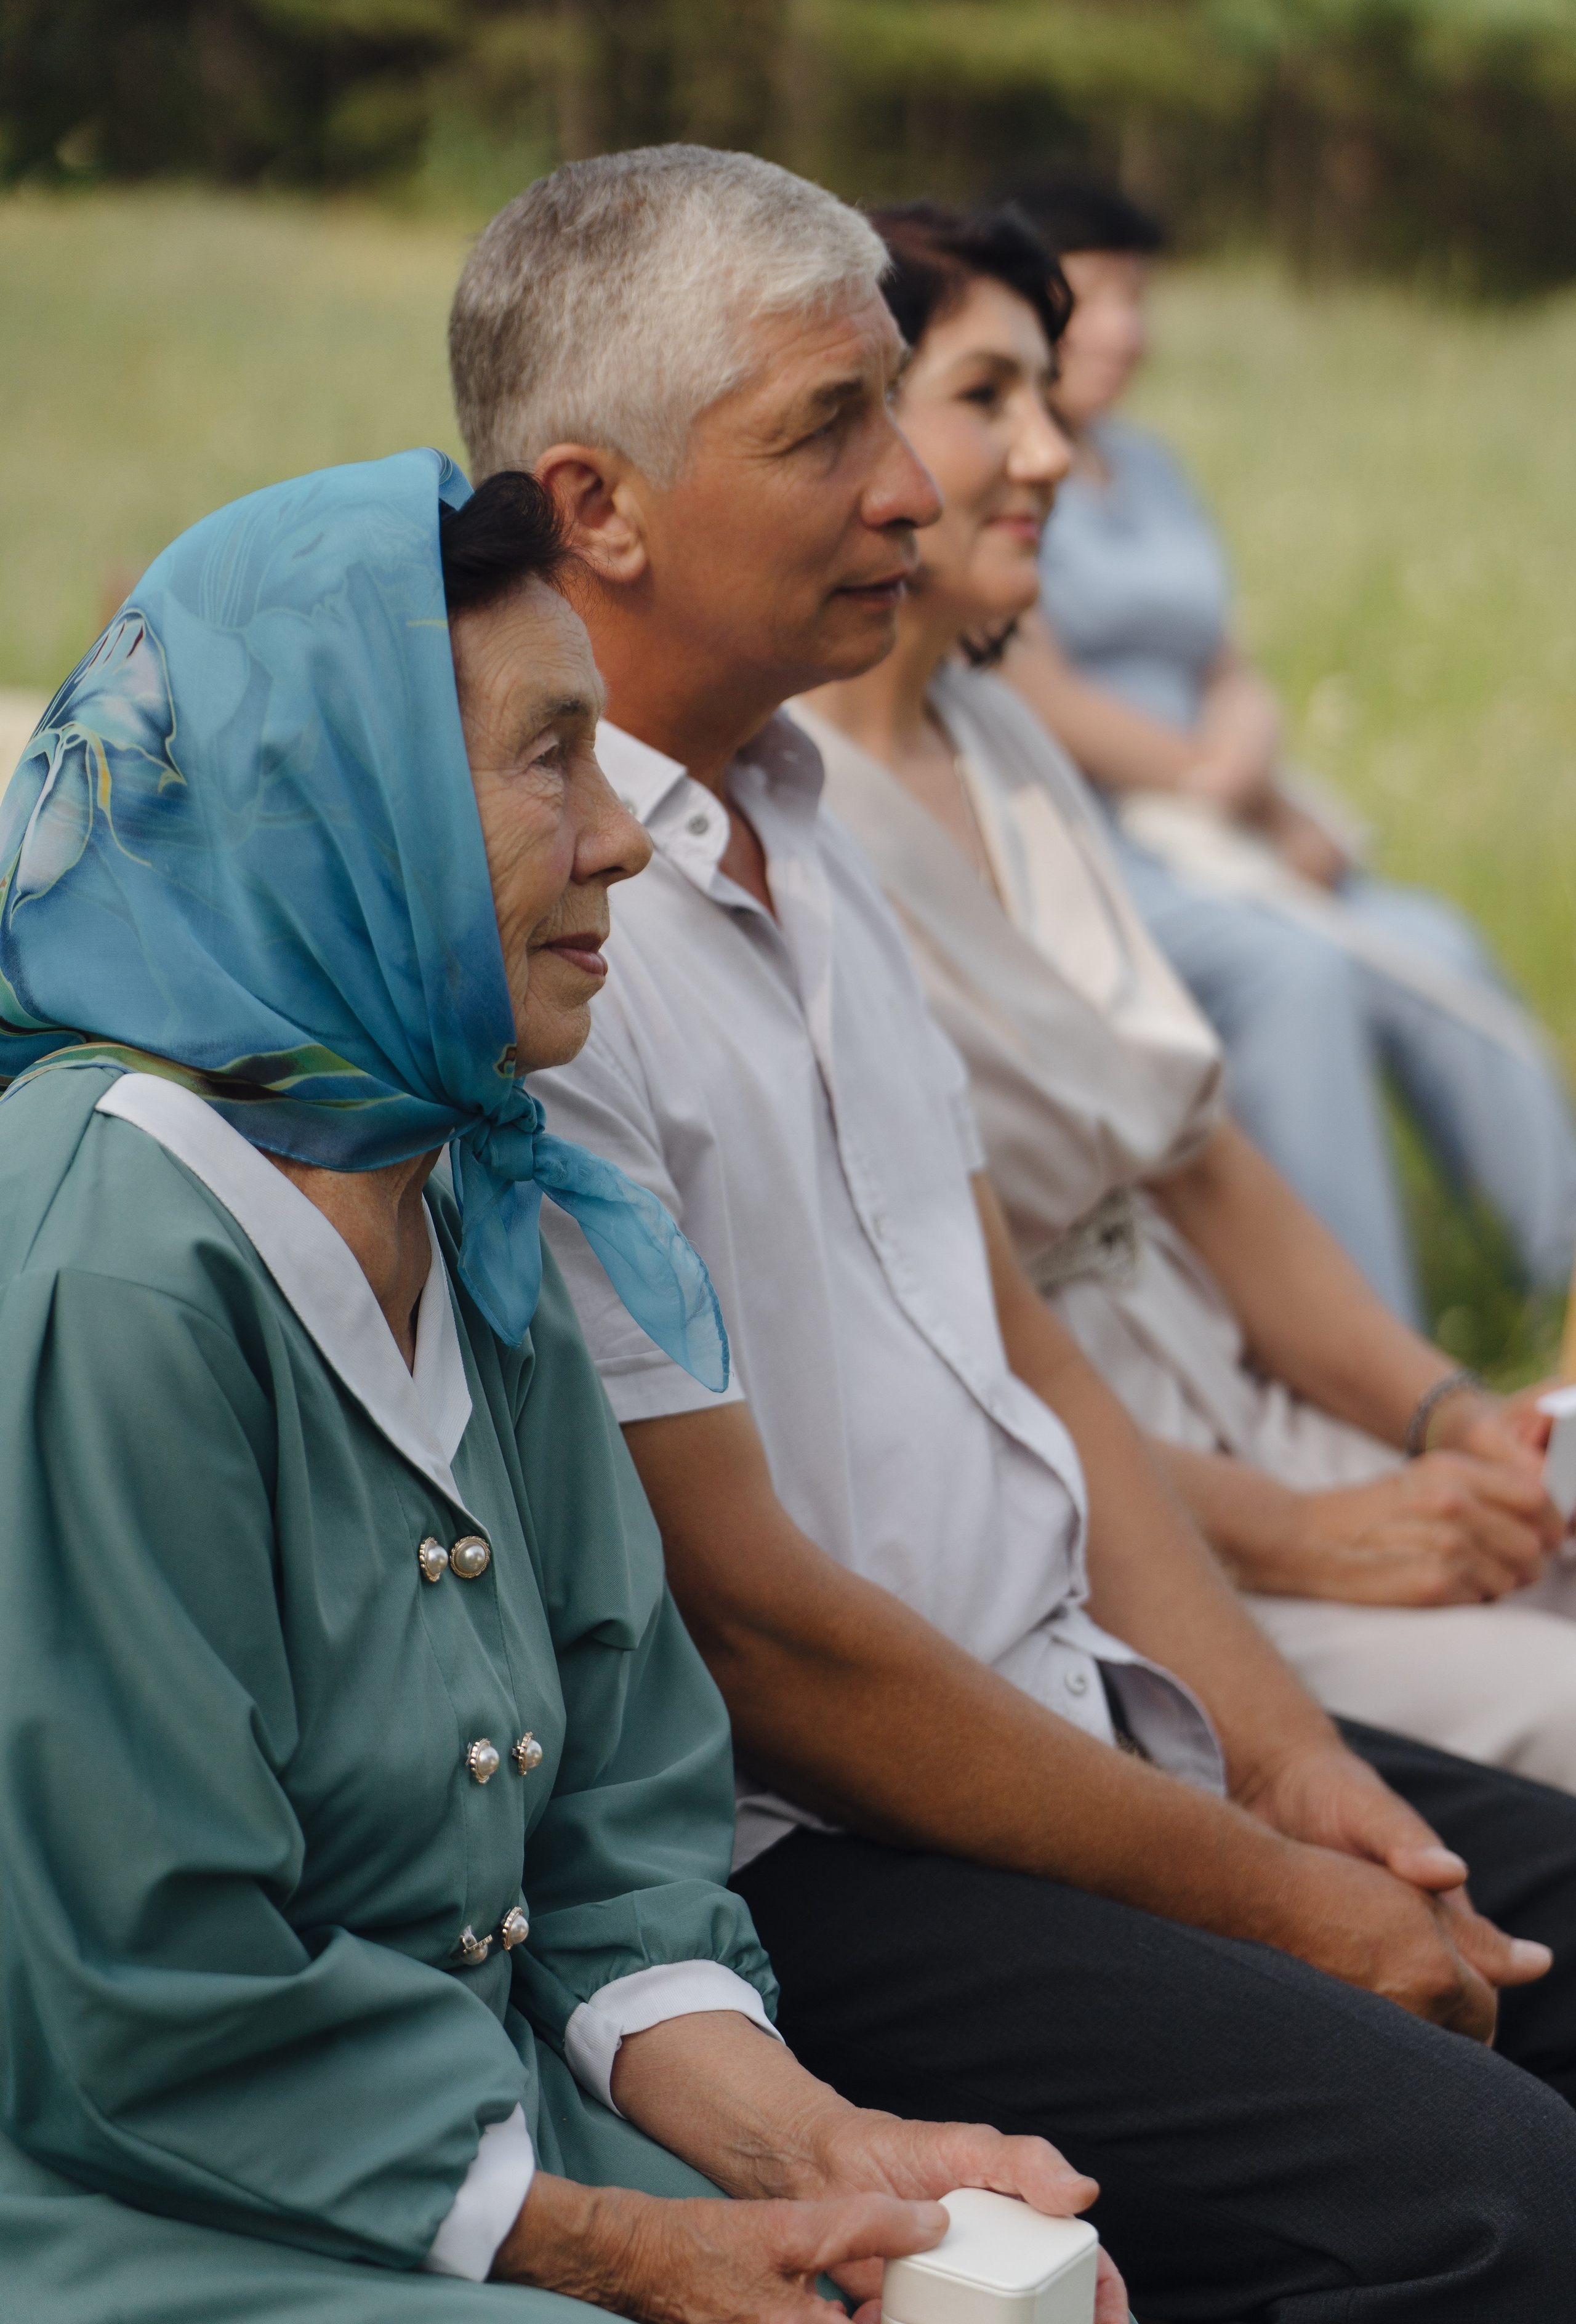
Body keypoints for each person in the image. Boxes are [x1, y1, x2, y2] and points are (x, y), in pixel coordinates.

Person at [450, 142, 1576, 2322]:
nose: (921, 487)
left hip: (1087, 1715)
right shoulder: (547, 932)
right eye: (832, 427)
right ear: (598, 505)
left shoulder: (798, 807)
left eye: (905, 409)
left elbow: (1026, 1349)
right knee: (1491, 2207)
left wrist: (1298, 1766)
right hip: (832, 1857)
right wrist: (1263, 1885)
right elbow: (765, 1648)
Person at [0, 452, 1127, 2324]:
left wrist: (816, 2150)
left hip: (452, 2149)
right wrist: (645, 2251)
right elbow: (137, 1990)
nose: (619, 838)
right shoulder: (114, 1266)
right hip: (146, 2201)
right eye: (549, 759)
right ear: (327, 802)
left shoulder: (459, 1182)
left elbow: (612, 1828)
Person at [793, 198, 1576, 1794]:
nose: (1057, 456)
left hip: (1234, 1396)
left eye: (1054, 401)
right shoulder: (781, 825)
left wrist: (1442, 1421)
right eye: (990, 395)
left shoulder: (1002, 743)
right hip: (1097, 1514)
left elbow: (1206, 1164)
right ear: (854, 426)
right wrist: (1319, 1536)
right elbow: (926, 1380)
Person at [996, 171, 1576, 1327]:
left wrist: (1253, 784)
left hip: (1226, 815)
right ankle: (1379, 1359)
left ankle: (1561, 1268)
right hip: (1101, 844)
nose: (1125, 329)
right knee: (1296, 974)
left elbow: (1228, 662)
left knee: (1436, 945)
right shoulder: (1006, 476)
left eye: (1140, 298)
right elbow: (1039, 691)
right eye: (1095, 297)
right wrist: (1211, 783)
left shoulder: (1151, 467)